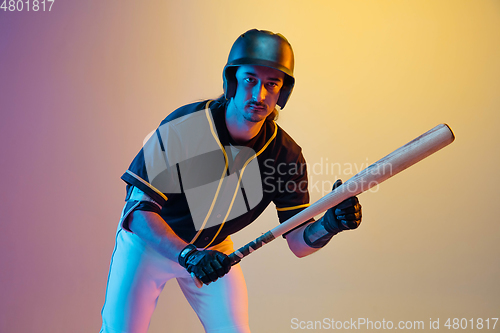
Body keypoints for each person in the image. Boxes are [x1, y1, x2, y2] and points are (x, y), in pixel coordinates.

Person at [100, 29, 362, 333]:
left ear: (283, 92)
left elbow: (298, 242)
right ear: (232, 81)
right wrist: (188, 255)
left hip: (214, 250)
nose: (259, 95)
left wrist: (330, 225)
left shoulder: (285, 156)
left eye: (271, 84)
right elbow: (138, 212)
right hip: (152, 245)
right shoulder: (185, 127)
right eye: (250, 80)